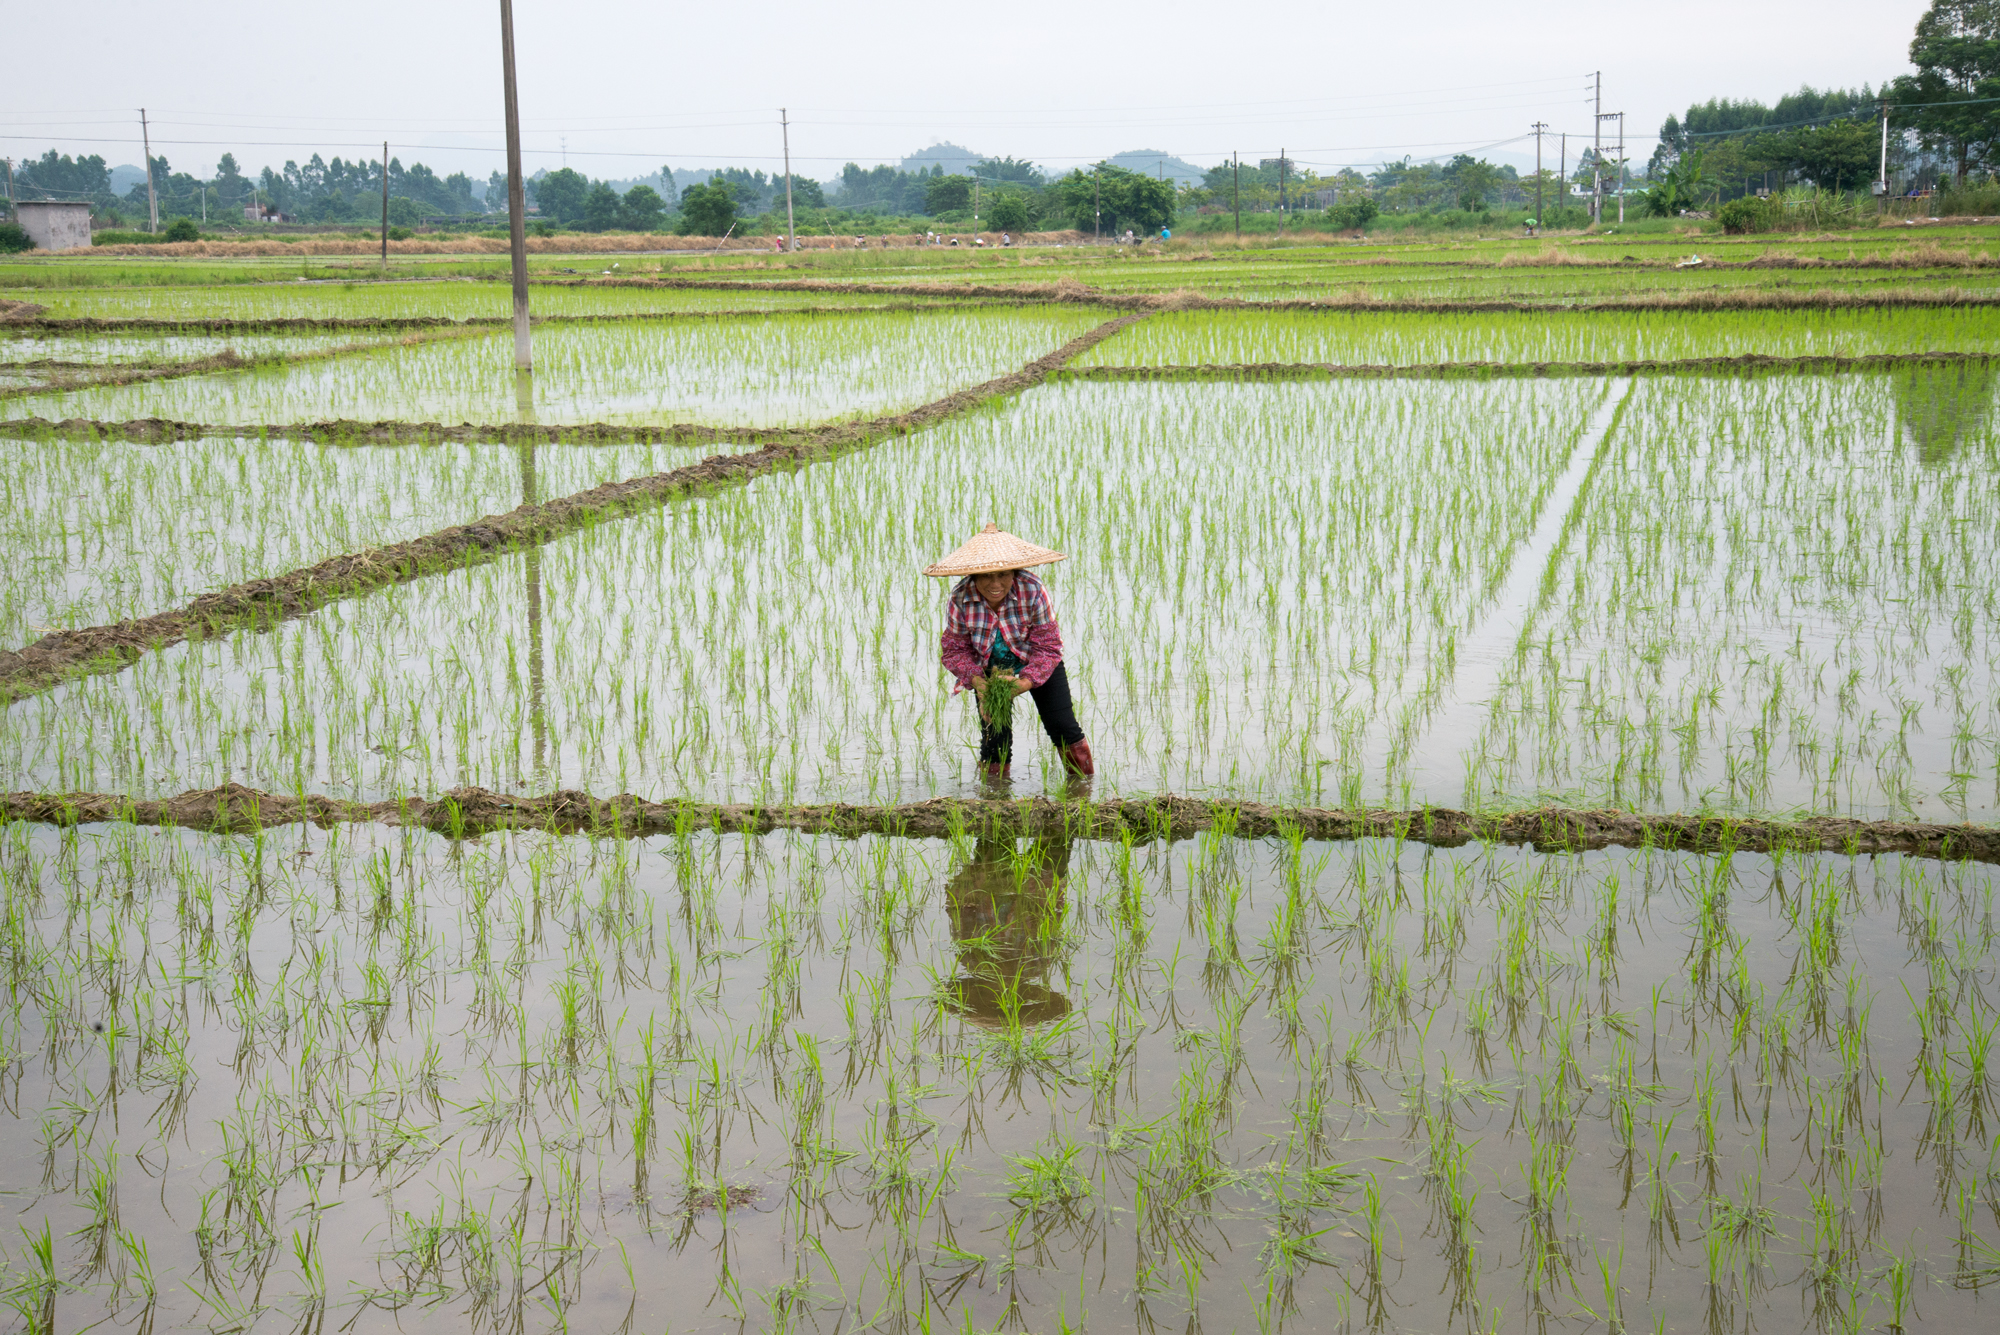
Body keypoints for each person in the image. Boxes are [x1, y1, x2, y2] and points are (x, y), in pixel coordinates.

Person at [927, 523, 1094, 782]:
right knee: (995, 738)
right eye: (986, 576)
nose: (995, 584)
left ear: (1014, 572)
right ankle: (996, 800)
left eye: (1003, 574)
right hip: (990, 671)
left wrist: (1024, 682)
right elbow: (954, 650)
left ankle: (1083, 789)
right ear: (973, 575)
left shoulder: (1032, 589)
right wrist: (980, 684)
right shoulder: (960, 597)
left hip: (1038, 662)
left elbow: (1048, 646)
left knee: (1062, 726)